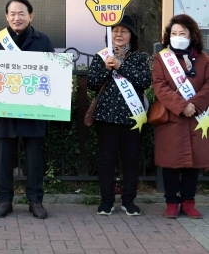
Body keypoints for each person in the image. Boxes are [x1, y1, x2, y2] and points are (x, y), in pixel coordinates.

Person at [0, 0, 54, 219]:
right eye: (12, 14)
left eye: (21, 13)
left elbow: (53, 75)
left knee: (34, 159)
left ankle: (35, 201)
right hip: (4, 110)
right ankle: (5, 200)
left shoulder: (43, 41)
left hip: (34, 110)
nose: (17, 17)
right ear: (6, 16)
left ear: (31, 16)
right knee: (4, 158)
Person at [87, 15, 151, 216]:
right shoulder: (101, 56)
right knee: (107, 160)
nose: (119, 34)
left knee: (131, 159)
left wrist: (121, 66)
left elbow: (144, 81)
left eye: (124, 31)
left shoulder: (139, 57)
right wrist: (107, 69)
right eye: (115, 30)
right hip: (106, 117)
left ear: (132, 35)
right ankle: (106, 201)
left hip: (133, 116)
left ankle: (128, 201)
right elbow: (92, 84)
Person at [153, 14, 209, 219]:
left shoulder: (203, 59)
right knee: (170, 162)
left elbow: (208, 85)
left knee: (192, 164)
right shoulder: (162, 58)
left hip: (196, 117)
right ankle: (171, 202)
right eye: (174, 33)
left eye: (182, 33)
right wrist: (181, 106)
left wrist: (194, 105)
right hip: (172, 118)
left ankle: (188, 202)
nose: (177, 36)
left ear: (191, 35)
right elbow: (159, 86)